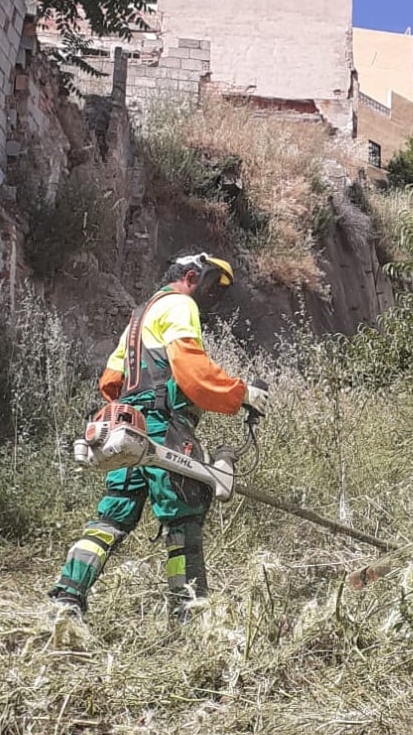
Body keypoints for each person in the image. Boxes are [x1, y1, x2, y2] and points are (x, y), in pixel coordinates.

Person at [49, 252, 269, 619]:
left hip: (125, 426)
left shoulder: (137, 319)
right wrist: (242, 393)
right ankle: (188, 615)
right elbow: (194, 373)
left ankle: (67, 598)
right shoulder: (180, 305)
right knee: (183, 516)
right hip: (162, 427)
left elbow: (111, 382)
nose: (211, 295)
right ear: (191, 276)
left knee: (111, 517)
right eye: (212, 285)